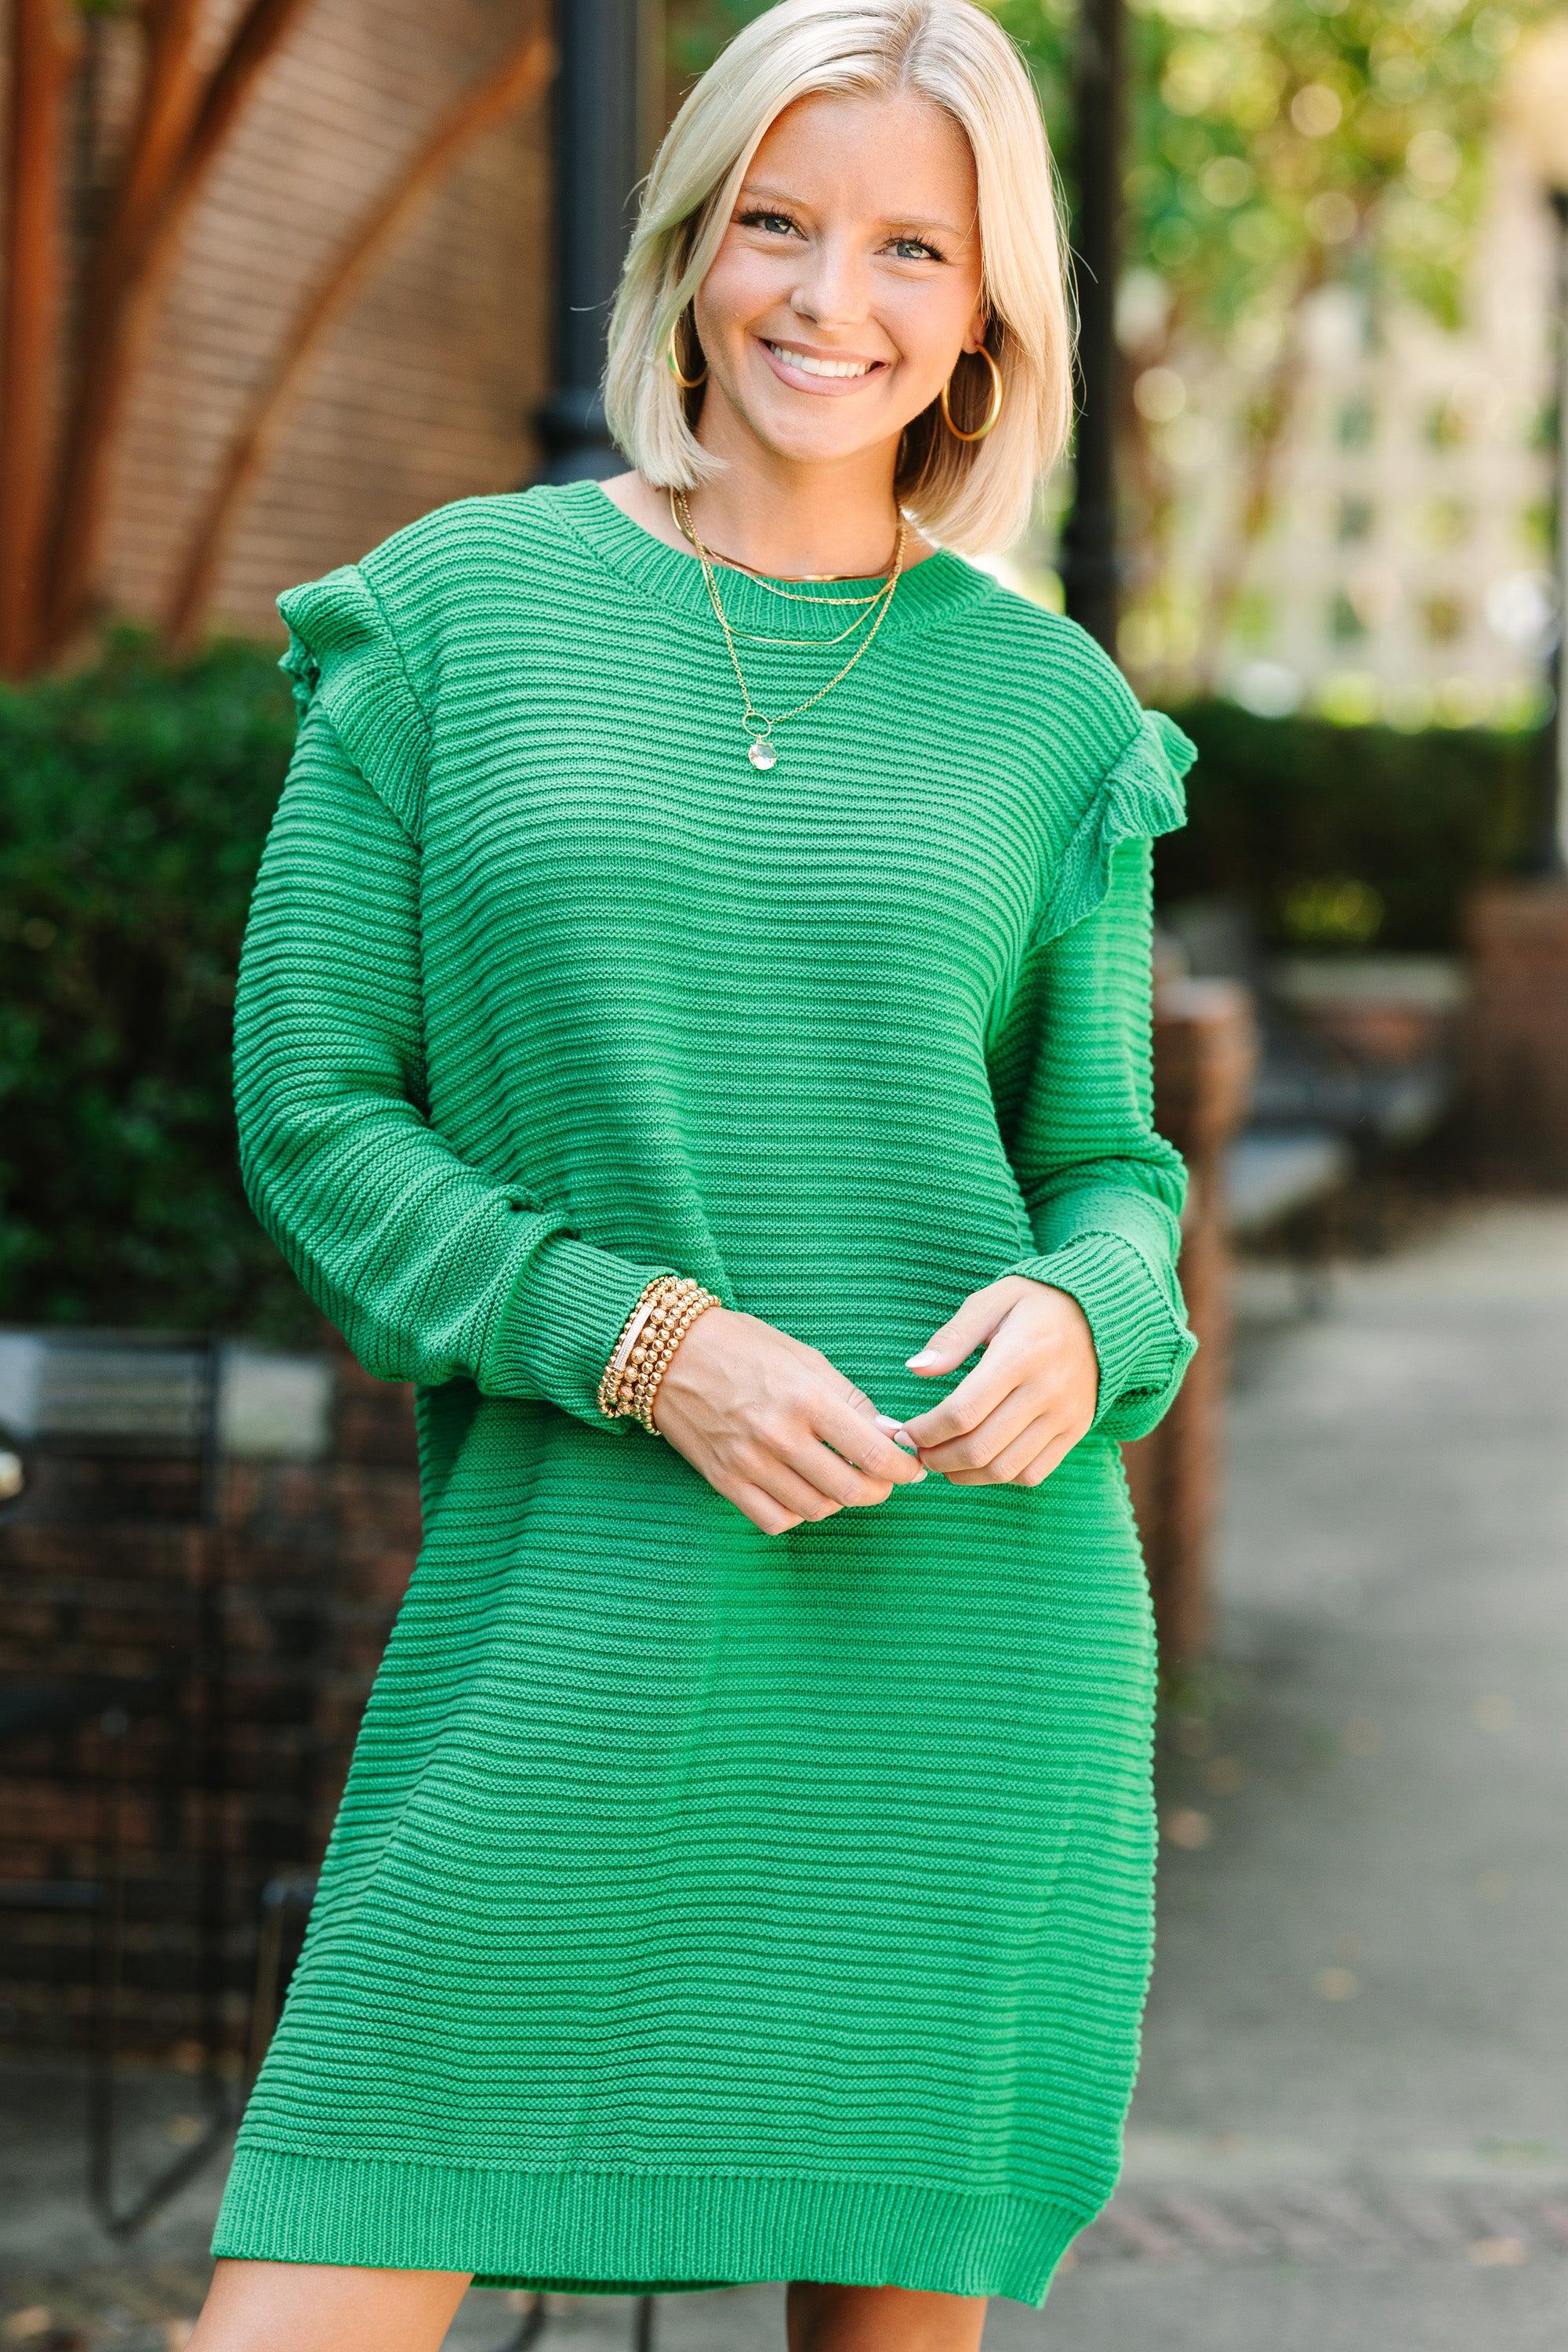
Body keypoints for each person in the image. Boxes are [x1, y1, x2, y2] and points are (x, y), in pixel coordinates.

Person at [191, 2, 1200, 2346]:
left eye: (911, 247)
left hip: (960, 1623)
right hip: (573, 1604)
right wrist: (649, 1345)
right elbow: (315, 1116)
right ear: (688, 247)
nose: (829, 299)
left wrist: (1090, 1313)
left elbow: (1108, 1164)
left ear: (987, 312)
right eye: (776, 221)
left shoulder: (1048, 711)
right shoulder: (451, 616)